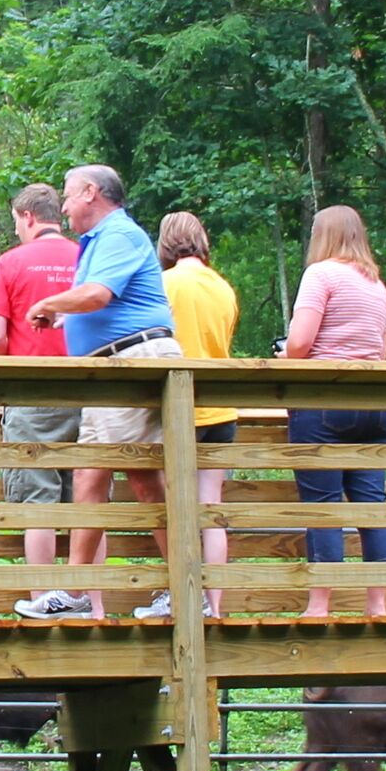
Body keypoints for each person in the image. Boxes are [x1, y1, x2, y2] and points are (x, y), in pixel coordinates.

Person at [19, 164, 176, 622]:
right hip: (125, 363)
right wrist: (70, 319)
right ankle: (186, 588)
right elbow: (101, 303)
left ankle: (74, 592)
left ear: (91, 192)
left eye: (68, 196)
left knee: (90, 474)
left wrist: (49, 303)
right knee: (147, 483)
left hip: (130, 363)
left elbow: (98, 296)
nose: (63, 207)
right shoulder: (100, 242)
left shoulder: (118, 234)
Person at [283, 203, 386, 621]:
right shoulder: (376, 285)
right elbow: (379, 350)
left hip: (324, 402)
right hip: (374, 405)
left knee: (323, 504)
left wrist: (284, 354)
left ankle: (319, 606)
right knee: (372, 504)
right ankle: (378, 606)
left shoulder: (322, 274)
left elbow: (299, 344)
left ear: (323, 235)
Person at [0, 185, 84, 616]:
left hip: (32, 392)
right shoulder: (88, 258)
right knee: (89, 500)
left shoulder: (8, 263)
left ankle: (44, 599)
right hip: (95, 393)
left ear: (26, 217)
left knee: (36, 501)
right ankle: (90, 600)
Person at [141, 211, 239, 621]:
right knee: (209, 508)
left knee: (176, 507)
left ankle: (182, 594)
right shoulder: (223, 288)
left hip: (180, 408)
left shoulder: (164, 284)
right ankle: (214, 606)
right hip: (220, 408)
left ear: (165, 243)